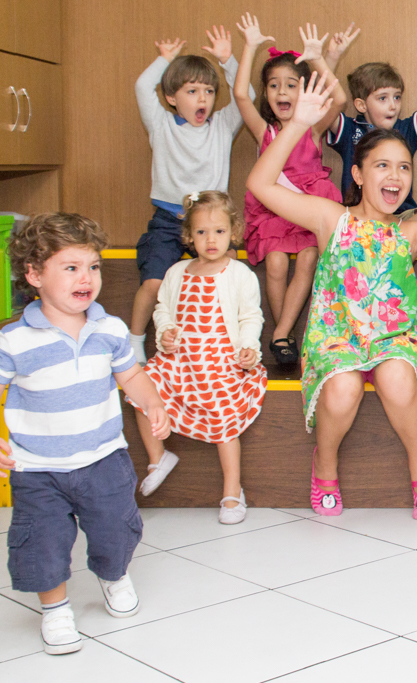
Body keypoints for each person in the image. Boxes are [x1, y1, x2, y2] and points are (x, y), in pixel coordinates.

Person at [246, 73, 417, 519]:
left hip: (395, 339)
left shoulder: (409, 232)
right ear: (356, 174)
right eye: (382, 166)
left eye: (405, 167)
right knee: (342, 388)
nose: (396, 176)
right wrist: (298, 125)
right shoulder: (331, 218)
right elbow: (261, 185)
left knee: (396, 379)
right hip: (336, 338)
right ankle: (325, 465)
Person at [0, 213, 170, 654]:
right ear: (34, 275)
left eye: (93, 266)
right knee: (42, 541)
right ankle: (55, 610)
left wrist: (152, 402)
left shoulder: (109, 329)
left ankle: (113, 575)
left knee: (116, 529)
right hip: (38, 468)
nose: (86, 277)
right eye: (71, 267)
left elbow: (131, 375)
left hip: (104, 458)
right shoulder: (14, 341)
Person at [128, 192, 268, 525]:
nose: (210, 240)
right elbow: (163, 310)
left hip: (222, 361)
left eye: (219, 231)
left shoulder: (239, 274)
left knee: (223, 414)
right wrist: (165, 332)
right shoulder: (177, 272)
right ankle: (158, 456)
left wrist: (248, 347)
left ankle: (232, 489)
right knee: (140, 390)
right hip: (181, 361)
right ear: (189, 235)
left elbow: (251, 316)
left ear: (233, 232)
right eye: (202, 232)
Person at [235, 15, 357, 366]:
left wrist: (317, 58)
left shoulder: (313, 129)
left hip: (307, 208)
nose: (282, 92)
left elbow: (340, 97)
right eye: (274, 86)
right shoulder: (265, 131)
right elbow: (240, 94)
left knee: (307, 259)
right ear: (266, 93)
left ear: (304, 92)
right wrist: (250, 47)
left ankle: (281, 333)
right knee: (275, 263)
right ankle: (284, 334)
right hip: (274, 211)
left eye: (291, 85)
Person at [130, 27, 253, 364]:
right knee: (154, 283)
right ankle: (135, 340)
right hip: (168, 221)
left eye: (209, 91)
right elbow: (142, 87)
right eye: (192, 91)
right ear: (172, 97)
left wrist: (228, 60)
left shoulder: (223, 125)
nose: (203, 99)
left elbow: (246, 94)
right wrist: (165, 60)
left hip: (211, 221)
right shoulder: (161, 124)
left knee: (229, 277)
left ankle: (230, 343)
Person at [324, 29, 417, 226]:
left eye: (397, 97)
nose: (393, 105)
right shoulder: (349, 129)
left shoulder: (404, 129)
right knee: (327, 214)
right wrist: (332, 57)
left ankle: (393, 238)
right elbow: (322, 102)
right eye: (382, 98)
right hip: (358, 221)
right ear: (361, 105)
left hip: (400, 221)